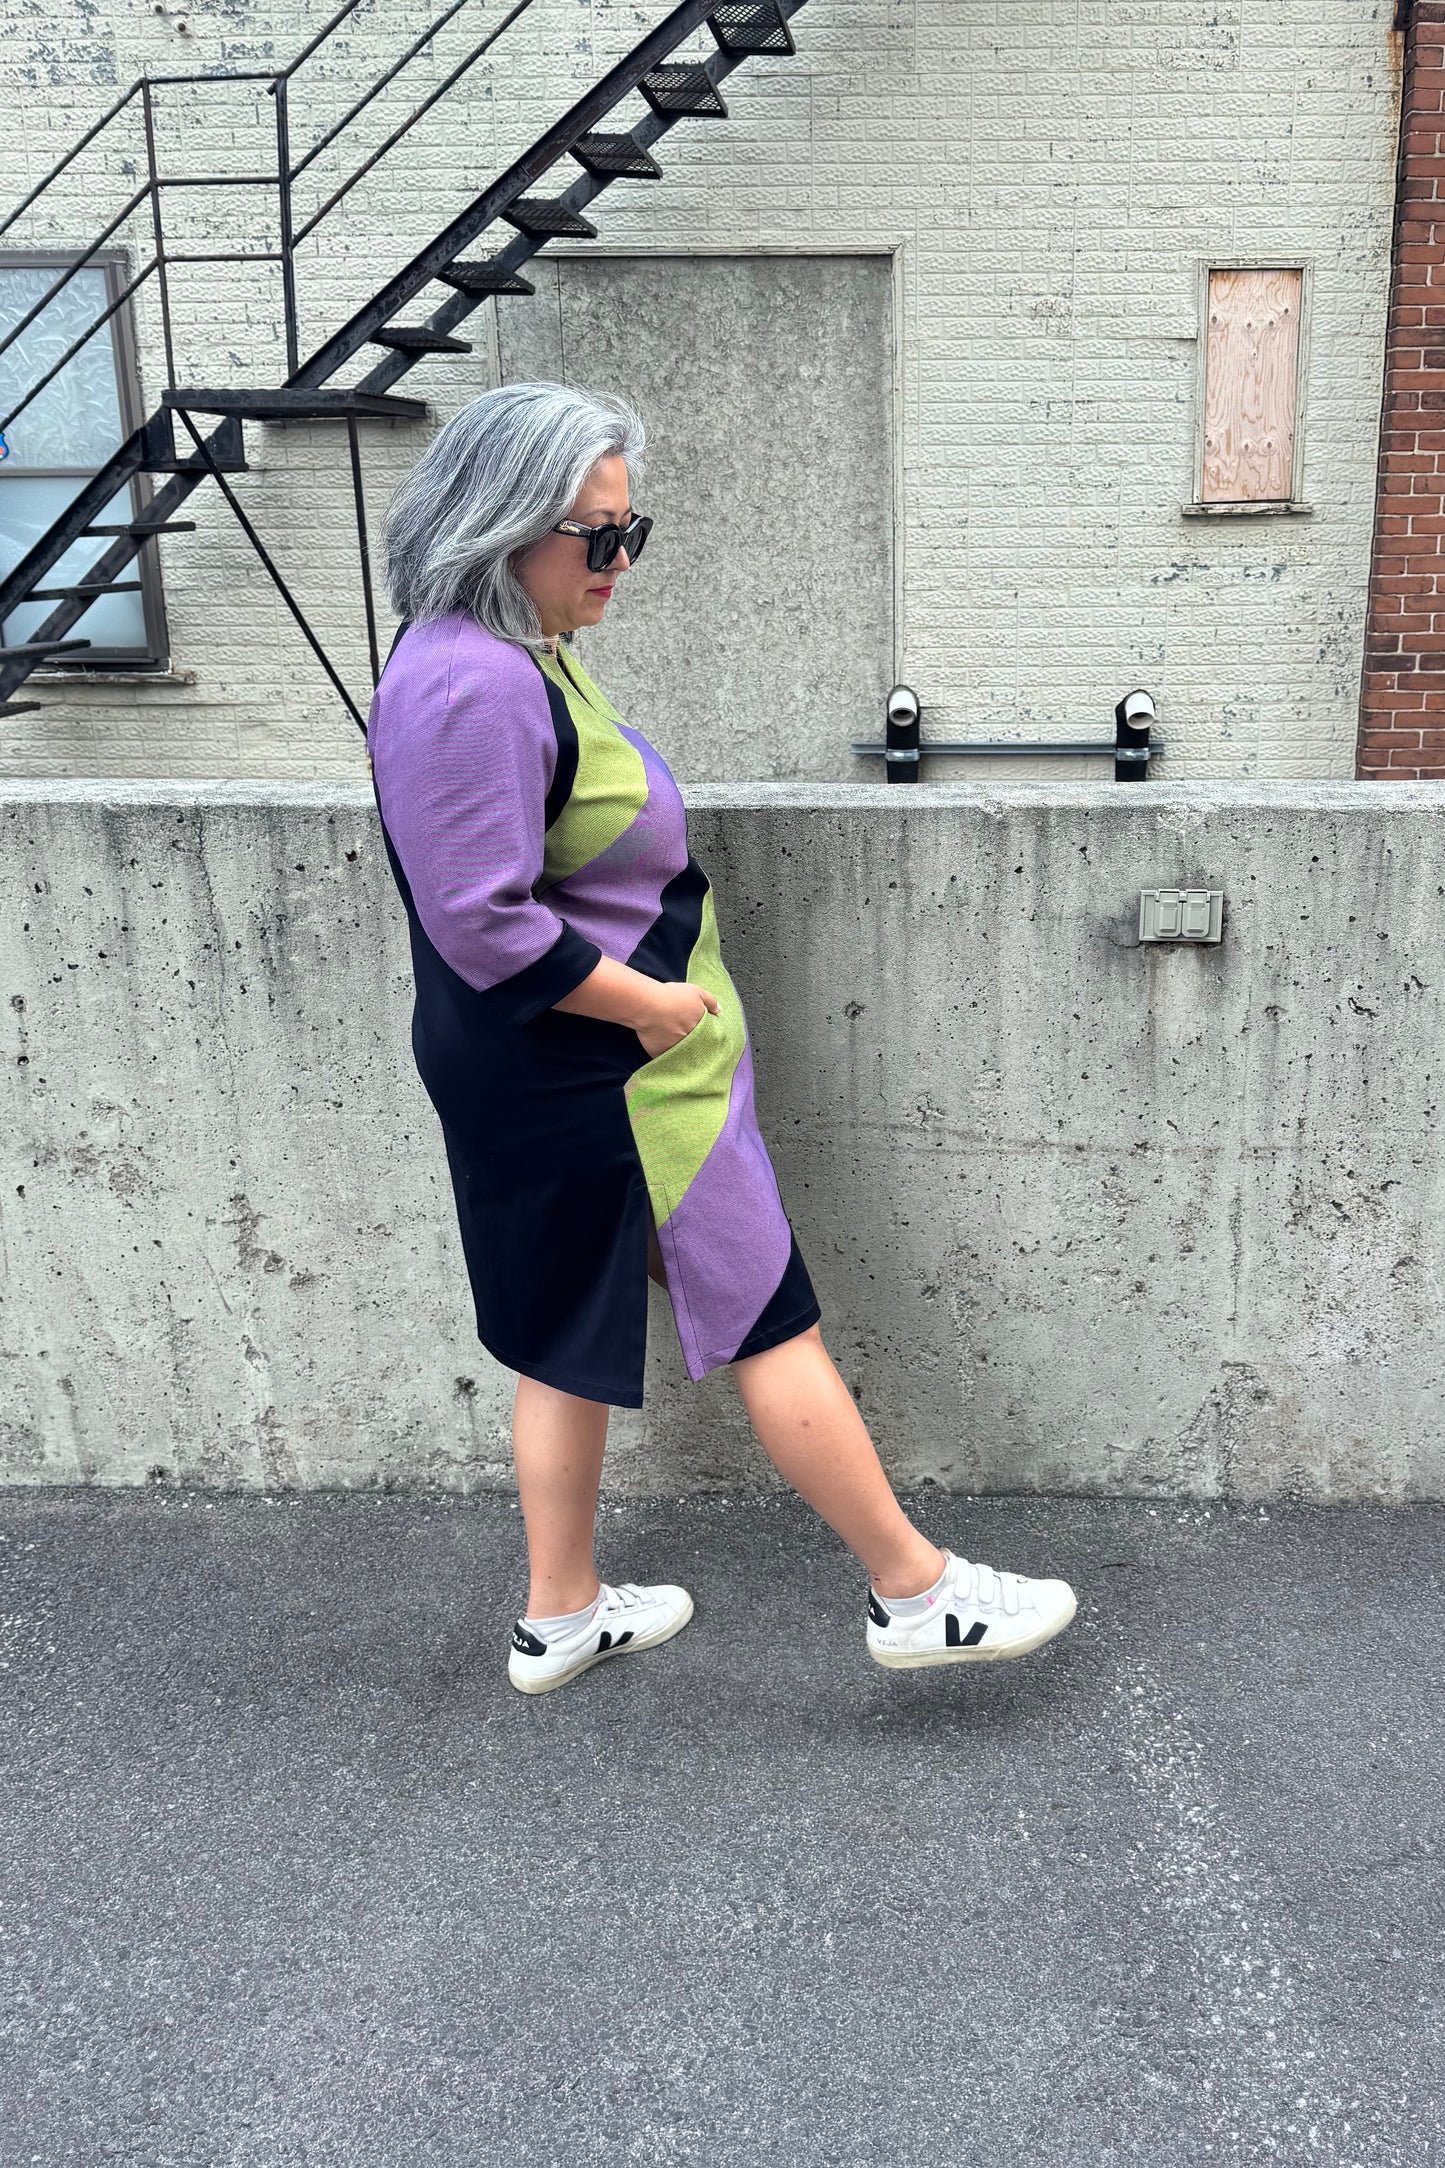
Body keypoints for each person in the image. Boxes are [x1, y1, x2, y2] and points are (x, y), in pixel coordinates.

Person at [366, 381, 1077, 1695]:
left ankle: (560, 1614)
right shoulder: (472, 685)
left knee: (558, 1332)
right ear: (502, 523)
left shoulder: (490, 652)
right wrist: (655, 1008)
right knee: (765, 1319)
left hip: (549, 1075)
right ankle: (912, 1590)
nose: (616, 565)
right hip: (617, 1081)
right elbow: (483, 921)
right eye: (595, 537)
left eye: (629, 534)